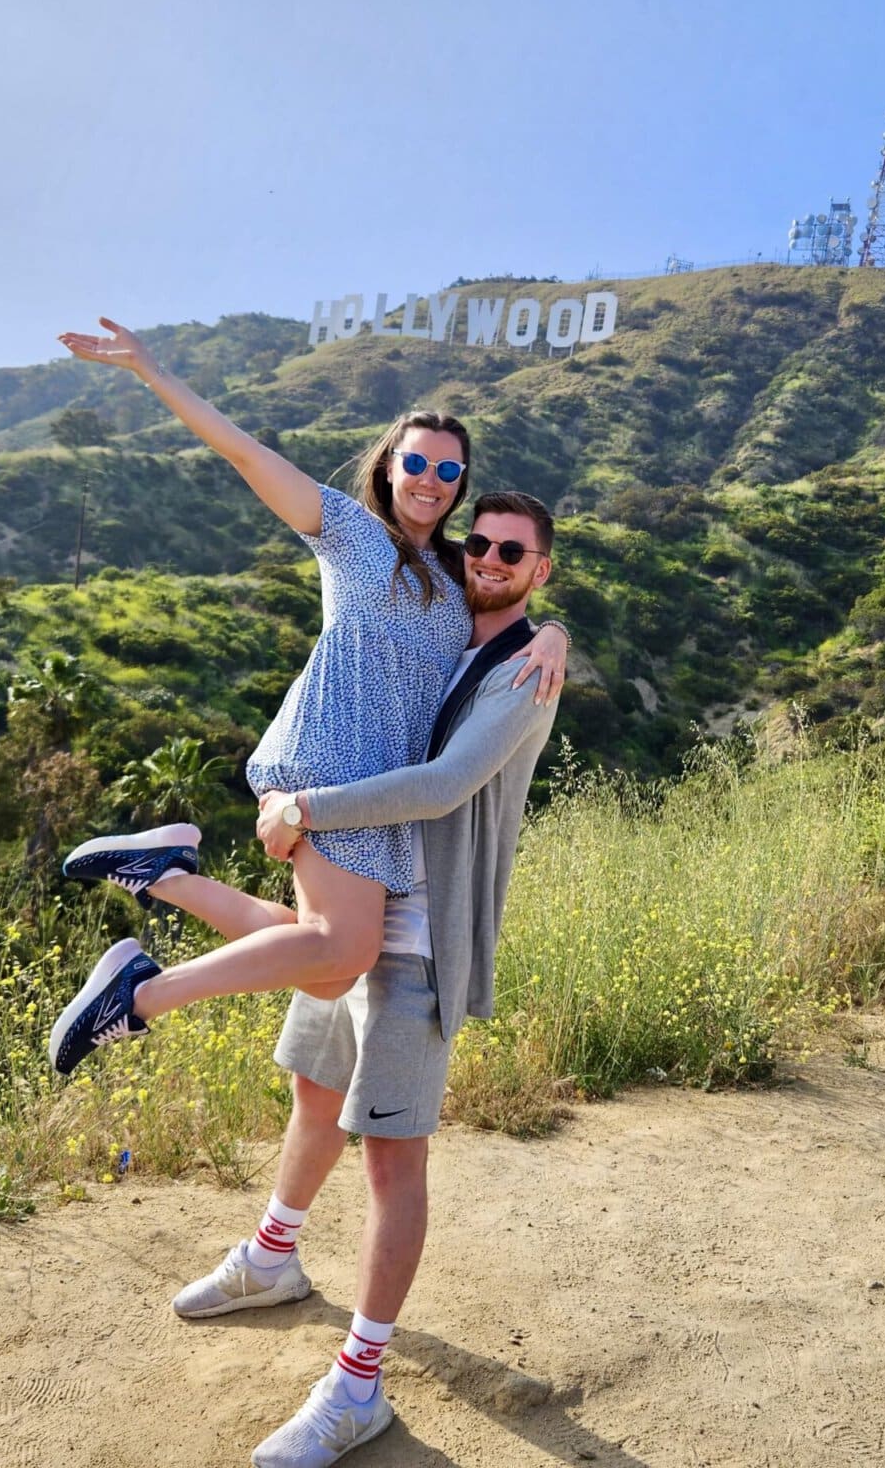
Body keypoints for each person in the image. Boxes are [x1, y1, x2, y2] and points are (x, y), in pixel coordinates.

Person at [101, 491, 563, 1468]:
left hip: (424, 934)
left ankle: (359, 1385)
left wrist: (306, 805)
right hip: (362, 894)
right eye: (477, 541)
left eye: (510, 551)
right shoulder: (446, 628)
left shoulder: (523, 670)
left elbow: (440, 788)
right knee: (313, 1096)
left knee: (391, 1163)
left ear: (538, 570)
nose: (485, 556)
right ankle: (271, 1258)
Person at [44, 319, 566, 1075]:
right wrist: (152, 372)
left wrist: (555, 635)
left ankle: (166, 875)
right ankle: (136, 998)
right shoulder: (350, 531)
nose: (429, 480)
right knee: (339, 948)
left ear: (460, 487)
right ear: (388, 467)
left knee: (332, 963)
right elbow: (244, 451)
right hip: (329, 758)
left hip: (379, 785)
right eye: (415, 461)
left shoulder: (459, 570)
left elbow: (515, 592)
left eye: (448, 472)